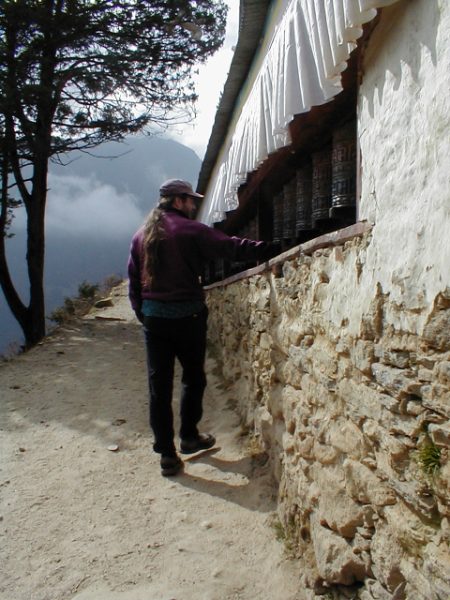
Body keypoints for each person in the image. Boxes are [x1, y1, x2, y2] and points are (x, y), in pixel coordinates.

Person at [128, 179, 278, 477]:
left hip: (155, 320)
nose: (194, 206)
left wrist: (144, 315)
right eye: (190, 200)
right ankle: (188, 435)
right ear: (178, 201)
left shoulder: (140, 236)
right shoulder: (190, 230)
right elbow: (229, 247)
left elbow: (134, 282)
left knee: (158, 388)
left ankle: (167, 455)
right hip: (189, 318)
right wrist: (268, 249)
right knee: (193, 378)